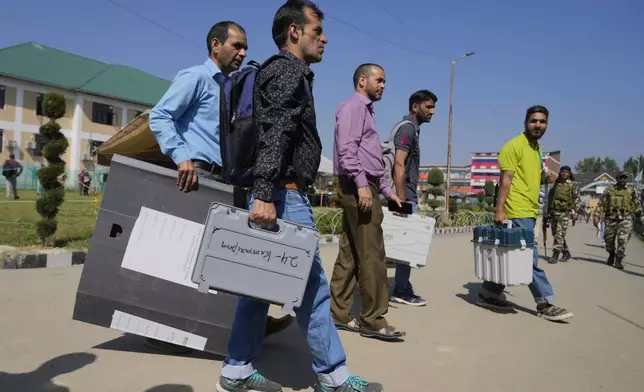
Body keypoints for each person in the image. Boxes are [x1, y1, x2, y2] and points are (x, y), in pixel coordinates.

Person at [218, 2, 383, 392]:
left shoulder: (284, 73)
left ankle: (236, 369)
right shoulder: (288, 71)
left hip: (277, 191)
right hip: (283, 196)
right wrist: (265, 193)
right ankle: (334, 377)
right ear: (295, 32)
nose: (324, 38)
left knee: (259, 287)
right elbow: (275, 132)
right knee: (313, 289)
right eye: (316, 30)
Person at [148, 20, 292, 354]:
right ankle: (167, 328)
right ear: (216, 45)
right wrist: (181, 156)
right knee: (191, 256)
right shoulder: (196, 78)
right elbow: (160, 116)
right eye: (236, 46)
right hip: (198, 176)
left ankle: (245, 322)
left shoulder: (234, 87)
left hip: (226, 180)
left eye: (245, 48)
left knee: (225, 256)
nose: (243, 53)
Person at [329, 63, 405, 343]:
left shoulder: (365, 111)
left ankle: (338, 312)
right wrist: (363, 185)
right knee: (373, 253)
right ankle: (373, 319)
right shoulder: (353, 107)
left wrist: (386, 190)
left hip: (362, 184)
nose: (383, 86)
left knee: (349, 253)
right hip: (356, 186)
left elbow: (372, 158)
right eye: (379, 80)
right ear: (363, 81)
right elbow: (347, 149)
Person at [476, 105, 574, 322]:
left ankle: (489, 293)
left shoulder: (536, 149)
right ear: (525, 122)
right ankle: (544, 302)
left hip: (530, 209)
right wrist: (499, 210)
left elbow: (527, 177)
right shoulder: (514, 146)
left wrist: (543, 179)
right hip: (516, 209)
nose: (538, 125)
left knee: (512, 254)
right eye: (534, 121)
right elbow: (506, 181)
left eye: (542, 122)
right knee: (528, 257)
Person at [389, 90, 437, 306]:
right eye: (428, 107)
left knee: (401, 246)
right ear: (415, 107)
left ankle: (401, 287)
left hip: (404, 194)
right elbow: (399, 164)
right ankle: (401, 290)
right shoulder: (408, 129)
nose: (432, 112)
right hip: (403, 196)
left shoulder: (412, 129)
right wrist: (401, 199)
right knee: (405, 247)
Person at [593, 171, 644, 270]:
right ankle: (611, 254)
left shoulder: (632, 191)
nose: (623, 180)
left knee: (623, 240)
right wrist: (596, 216)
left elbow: (638, 207)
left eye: (625, 178)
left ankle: (618, 259)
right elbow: (601, 204)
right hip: (611, 218)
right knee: (609, 241)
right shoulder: (609, 190)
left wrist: (642, 220)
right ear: (617, 179)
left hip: (626, 219)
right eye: (621, 178)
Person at [546, 166, 581, 263]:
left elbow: (577, 199)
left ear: (569, 174)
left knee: (559, 233)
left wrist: (575, 213)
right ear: (560, 173)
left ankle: (555, 254)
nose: (564, 173)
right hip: (554, 212)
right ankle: (566, 252)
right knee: (555, 234)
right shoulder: (555, 184)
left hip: (565, 212)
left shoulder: (574, 185)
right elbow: (550, 198)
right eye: (562, 172)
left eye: (566, 172)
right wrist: (547, 212)